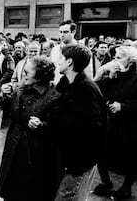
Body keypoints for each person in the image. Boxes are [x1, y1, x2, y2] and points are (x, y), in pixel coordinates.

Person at [0, 56, 63, 201]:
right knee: (10, 189)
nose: (23, 75)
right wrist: (5, 95)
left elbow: (59, 129)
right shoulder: (21, 88)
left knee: (30, 192)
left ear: (39, 76)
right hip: (14, 147)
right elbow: (9, 111)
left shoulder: (54, 97)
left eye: (27, 72)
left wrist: (42, 125)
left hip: (36, 154)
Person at [51, 45, 107, 201]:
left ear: (69, 62)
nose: (58, 62)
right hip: (73, 157)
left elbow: (92, 128)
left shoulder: (85, 89)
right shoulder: (67, 82)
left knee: (68, 196)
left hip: (81, 159)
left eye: (61, 58)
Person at [93, 46, 137, 200]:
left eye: (118, 58)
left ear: (129, 61)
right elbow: (97, 89)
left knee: (130, 156)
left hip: (129, 124)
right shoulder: (115, 73)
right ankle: (106, 182)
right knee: (101, 152)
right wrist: (106, 75)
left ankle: (126, 188)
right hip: (110, 121)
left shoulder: (135, 76)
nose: (114, 61)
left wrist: (123, 106)